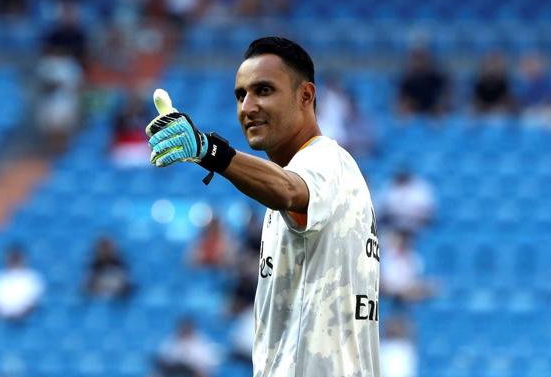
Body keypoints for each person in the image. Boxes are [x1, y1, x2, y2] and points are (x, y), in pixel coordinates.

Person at [146, 37, 380, 377]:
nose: (247, 106)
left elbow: (288, 190)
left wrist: (207, 150)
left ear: (306, 96)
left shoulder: (328, 160)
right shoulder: (289, 194)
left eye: (264, 90)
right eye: (241, 95)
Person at [0, 246, 45, 320]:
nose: (14, 261)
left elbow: (34, 303)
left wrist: (20, 315)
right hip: (0, 319)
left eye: (17, 258)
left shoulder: (33, 278)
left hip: (26, 320)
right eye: (12, 258)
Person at [152, 318, 222, 377]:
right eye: (182, 329)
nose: (184, 332)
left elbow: (208, 366)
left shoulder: (202, 343)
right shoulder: (171, 340)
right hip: (175, 370)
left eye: (187, 329)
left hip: (192, 371)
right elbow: (164, 358)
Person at [377, 168, 436, 235]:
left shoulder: (421, 190)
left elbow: (428, 215)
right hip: (392, 226)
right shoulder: (388, 188)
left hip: (416, 227)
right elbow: (382, 211)